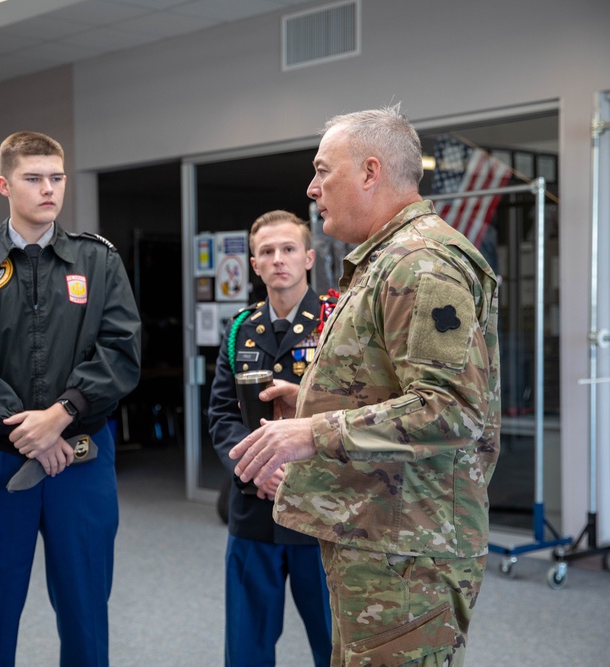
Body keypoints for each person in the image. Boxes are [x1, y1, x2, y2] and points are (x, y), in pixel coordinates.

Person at [230, 105, 500, 667]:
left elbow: (451, 408)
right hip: (381, 536)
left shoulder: (421, 263)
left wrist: (314, 431)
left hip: (410, 551)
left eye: (323, 170)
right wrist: (305, 400)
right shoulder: (387, 259)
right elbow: (390, 380)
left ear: (370, 172)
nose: (312, 187)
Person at [0, 131, 142, 667]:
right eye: (33, 178)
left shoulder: (98, 262)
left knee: (85, 607)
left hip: (81, 458)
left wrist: (62, 413)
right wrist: (29, 432)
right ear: (5, 184)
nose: (48, 189)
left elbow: (121, 351)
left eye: (56, 177)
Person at [208, 210, 334, 666]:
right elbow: (222, 417)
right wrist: (255, 472)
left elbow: (360, 413)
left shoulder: (337, 322)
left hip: (319, 514)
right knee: (246, 647)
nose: (278, 259)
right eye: (267, 252)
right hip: (254, 510)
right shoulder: (241, 328)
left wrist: (304, 398)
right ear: (255, 265)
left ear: (308, 258)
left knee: (335, 645)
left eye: (288, 249)